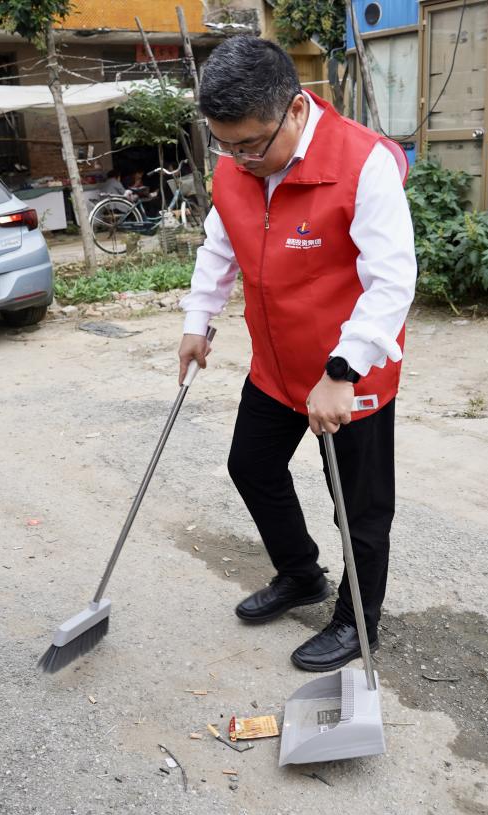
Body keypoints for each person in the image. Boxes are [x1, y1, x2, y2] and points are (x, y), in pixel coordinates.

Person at [177, 37, 415, 672]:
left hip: (350, 372)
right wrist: (198, 320)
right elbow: (220, 246)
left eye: (252, 145)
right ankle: (300, 574)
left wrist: (342, 371)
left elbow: (392, 281)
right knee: (251, 466)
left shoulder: (364, 163)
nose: (240, 160)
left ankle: (358, 620)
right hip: (277, 365)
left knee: (358, 510)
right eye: (226, 146)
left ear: (296, 108)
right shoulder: (236, 166)